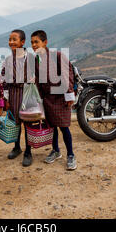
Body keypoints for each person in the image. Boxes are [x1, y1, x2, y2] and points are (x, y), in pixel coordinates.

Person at [31, 30, 77, 170]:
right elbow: (38, 79)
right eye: (32, 43)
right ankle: (56, 150)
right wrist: (39, 98)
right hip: (47, 99)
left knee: (64, 127)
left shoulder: (57, 56)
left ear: (45, 42)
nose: (33, 45)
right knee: (52, 127)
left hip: (61, 97)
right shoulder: (36, 59)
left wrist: (69, 95)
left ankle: (70, 154)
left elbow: (67, 76)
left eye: (36, 42)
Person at [1, 29, 36, 167]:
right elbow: (3, 78)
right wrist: (6, 98)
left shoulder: (30, 58)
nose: (11, 42)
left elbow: (36, 77)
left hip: (27, 93)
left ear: (22, 42)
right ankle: (17, 147)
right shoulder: (8, 60)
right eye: (10, 39)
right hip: (14, 93)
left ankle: (28, 151)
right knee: (15, 122)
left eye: (14, 39)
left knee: (27, 123)